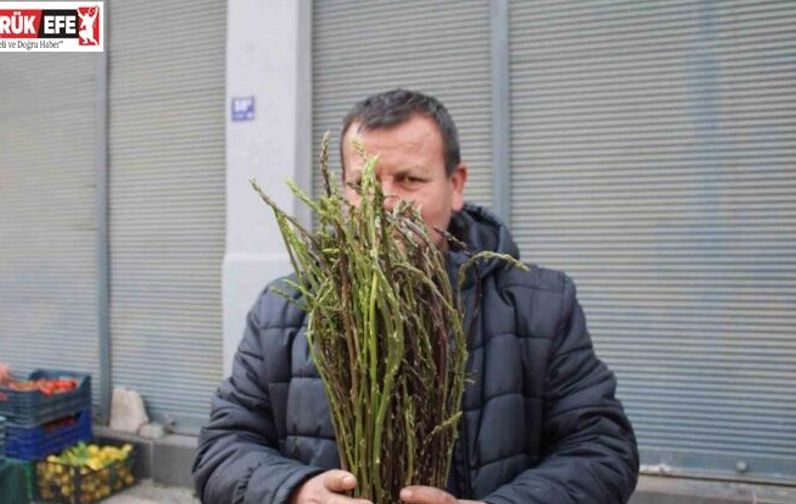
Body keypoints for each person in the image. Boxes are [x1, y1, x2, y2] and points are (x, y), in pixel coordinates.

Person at [194, 89, 639, 503]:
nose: (384, 203)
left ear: (456, 184)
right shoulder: (284, 308)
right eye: (362, 184)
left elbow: (603, 450)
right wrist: (294, 492)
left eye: (408, 179)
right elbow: (222, 448)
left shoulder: (541, 305)